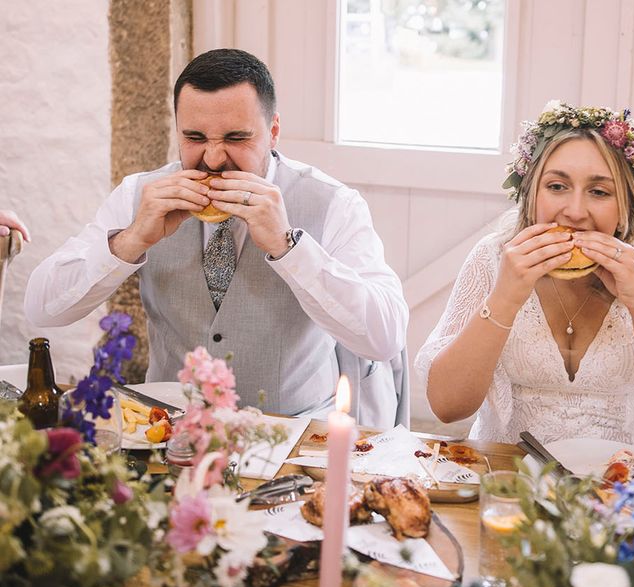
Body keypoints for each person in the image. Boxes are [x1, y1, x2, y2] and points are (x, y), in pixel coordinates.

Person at [24, 49, 409, 426]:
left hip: (293, 437)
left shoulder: (333, 203)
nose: (211, 159)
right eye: (194, 137)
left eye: (235, 138)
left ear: (273, 131)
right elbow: (43, 308)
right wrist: (130, 241)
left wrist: (288, 247)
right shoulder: (138, 195)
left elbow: (386, 337)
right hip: (168, 435)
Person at [414, 100, 634, 463]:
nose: (575, 211)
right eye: (556, 186)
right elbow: (447, 406)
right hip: (512, 478)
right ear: (531, 194)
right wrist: (505, 297)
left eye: (599, 192)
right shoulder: (493, 259)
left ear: (626, 206)